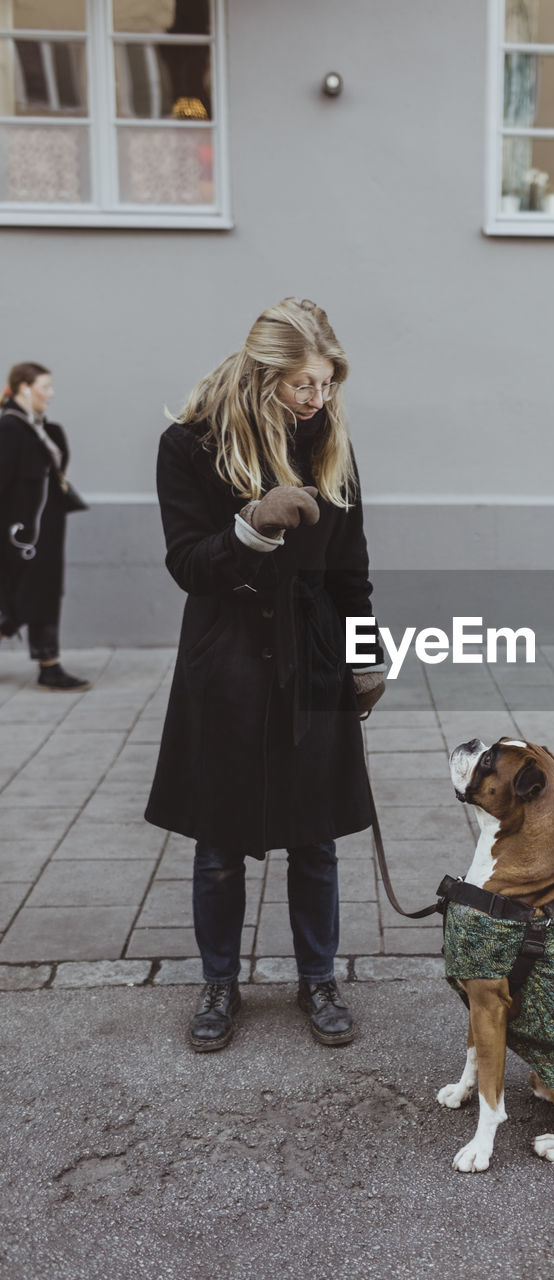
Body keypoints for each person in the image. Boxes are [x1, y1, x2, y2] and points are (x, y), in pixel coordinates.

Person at [145, 297, 386, 1053]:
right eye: (302, 385)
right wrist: (251, 527)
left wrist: (365, 653)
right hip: (226, 658)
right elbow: (188, 564)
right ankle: (220, 980)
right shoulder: (188, 445)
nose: (316, 401)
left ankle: (318, 976)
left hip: (311, 653)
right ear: (261, 376)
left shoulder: (330, 444)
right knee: (219, 843)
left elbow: (350, 569)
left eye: (326, 385)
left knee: (315, 837)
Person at [0, 362, 90, 690]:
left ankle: (49, 665)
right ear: (24, 388)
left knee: (33, 596)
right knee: (25, 597)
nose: (50, 394)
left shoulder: (40, 427)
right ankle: (49, 666)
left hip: (43, 530)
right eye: (45, 387)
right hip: (22, 534)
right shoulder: (10, 428)